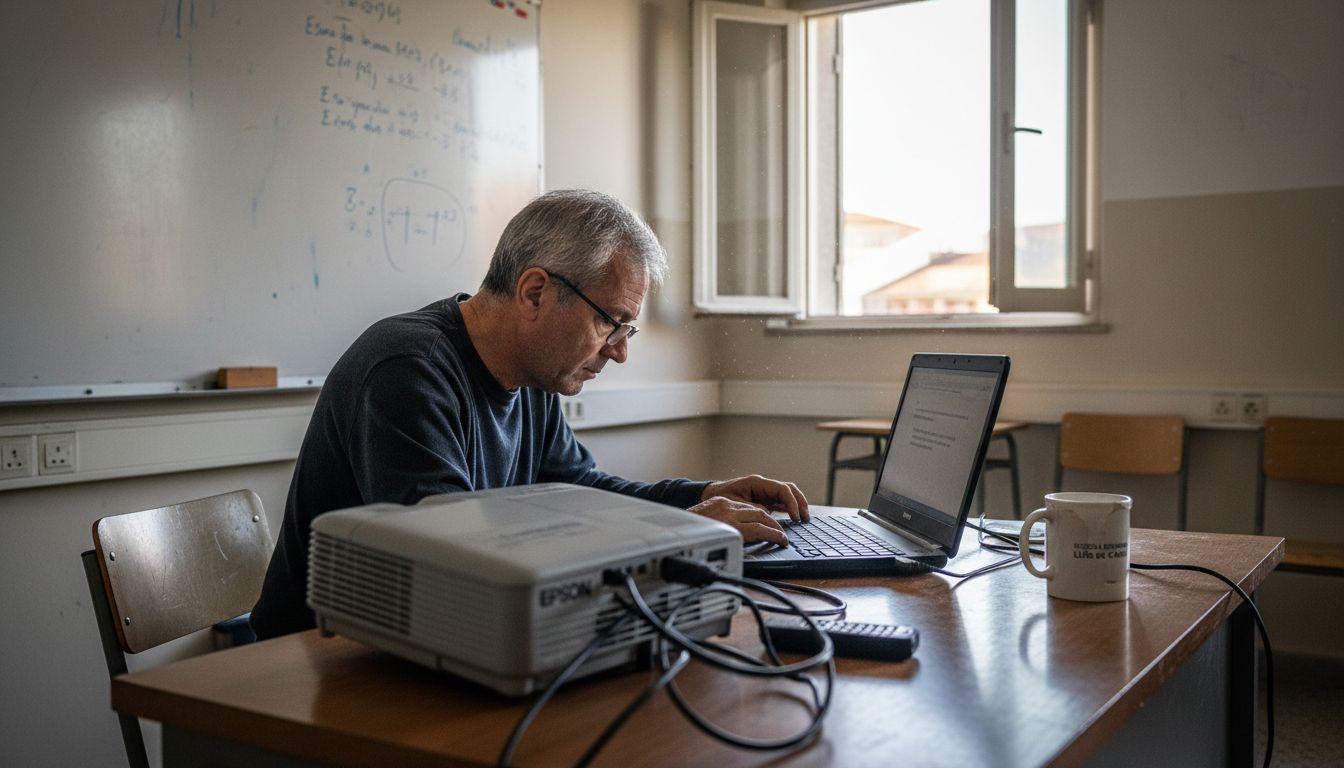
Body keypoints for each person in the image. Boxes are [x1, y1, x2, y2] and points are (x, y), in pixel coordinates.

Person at [251, 189, 809, 639]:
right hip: (314, 669)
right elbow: (454, 558)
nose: (619, 350)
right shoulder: (408, 369)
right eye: (610, 322)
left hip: (429, 648)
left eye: (627, 329)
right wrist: (674, 536)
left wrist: (701, 497)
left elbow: (583, 490)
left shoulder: (535, 376)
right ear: (537, 292)